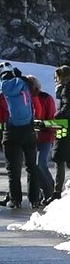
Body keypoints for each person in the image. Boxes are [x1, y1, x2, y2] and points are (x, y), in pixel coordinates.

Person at [0, 62, 44, 209]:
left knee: (13, 169)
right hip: (28, 131)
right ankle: (34, 200)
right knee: (31, 167)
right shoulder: (26, 86)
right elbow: (37, 109)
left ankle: (15, 200)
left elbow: (0, 116)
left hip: (10, 131)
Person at [27, 74, 57, 206]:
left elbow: (52, 117)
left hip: (45, 136)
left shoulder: (46, 98)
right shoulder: (24, 98)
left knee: (41, 164)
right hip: (30, 137)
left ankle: (51, 189)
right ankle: (43, 192)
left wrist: (42, 124)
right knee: (33, 166)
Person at [52, 66, 70, 201]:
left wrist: (56, 116)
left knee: (58, 157)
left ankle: (57, 191)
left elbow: (66, 107)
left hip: (64, 126)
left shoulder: (66, 89)